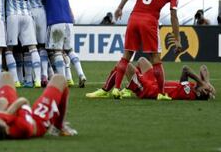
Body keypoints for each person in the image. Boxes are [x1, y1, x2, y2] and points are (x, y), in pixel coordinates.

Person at [109, 0, 185, 99]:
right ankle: (161, 94)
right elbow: (174, 16)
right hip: (149, 21)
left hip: (134, 18)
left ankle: (116, 89)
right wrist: (177, 39)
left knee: (126, 55)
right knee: (156, 58)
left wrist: (120, 7)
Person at [16, 0, 87, 88]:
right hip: (69, 21)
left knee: (57, 51)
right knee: (69, 50)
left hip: (56, 21)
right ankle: (81, 73)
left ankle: (62, 80)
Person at [0, 72, 77, 140]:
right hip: (36, 121)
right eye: (3, 119)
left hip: (9, 109)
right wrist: (6, 111)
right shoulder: (22, 128)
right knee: (60, 79)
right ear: (7, 129)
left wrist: (1, 110)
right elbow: (23, 102)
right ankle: (58, 127)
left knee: (5, 76)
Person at [86, 57, 216, 100]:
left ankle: (105, 90)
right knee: (142, 60)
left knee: (123, 65)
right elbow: (202, 68)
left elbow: (187, 68)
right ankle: (129, 88)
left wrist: (203, 84)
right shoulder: (192, 87)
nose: (200, 80)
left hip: (149, 89)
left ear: (200, 93)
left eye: (204, 89)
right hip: (154, 82)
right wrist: (207, 83)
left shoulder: (191, 93)